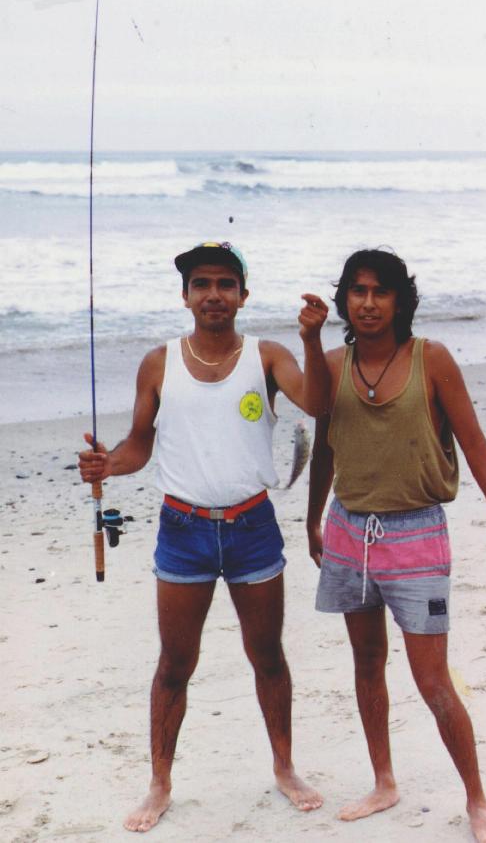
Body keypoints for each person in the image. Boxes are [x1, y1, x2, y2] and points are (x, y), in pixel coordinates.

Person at [79, 241, 329, 833]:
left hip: (253, 527)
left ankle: (285, 767)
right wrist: (107, 464)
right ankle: (160, 782)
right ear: (186, 295)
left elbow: (318, 403)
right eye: (201, 284)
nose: (213, 294)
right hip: (182, 529)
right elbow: (139, 444)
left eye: (225, 283)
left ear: (243, 294)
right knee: (174, 664)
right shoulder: (158, 363)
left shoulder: (267, 357)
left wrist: (313, 341)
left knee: (267, 656)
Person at [306, 248, 486, 843]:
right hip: (349, 530)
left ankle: (477, 800)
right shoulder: (330, 364)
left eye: (380, 292)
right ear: (344, 299)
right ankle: (384, 780)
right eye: (357, 291)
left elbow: (475, 443)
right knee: (367, 664)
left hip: (416, 533)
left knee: (432, 681)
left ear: (401, 299)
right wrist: (311, 522)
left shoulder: (433, 360)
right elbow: (324, 444)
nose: (368, 303)